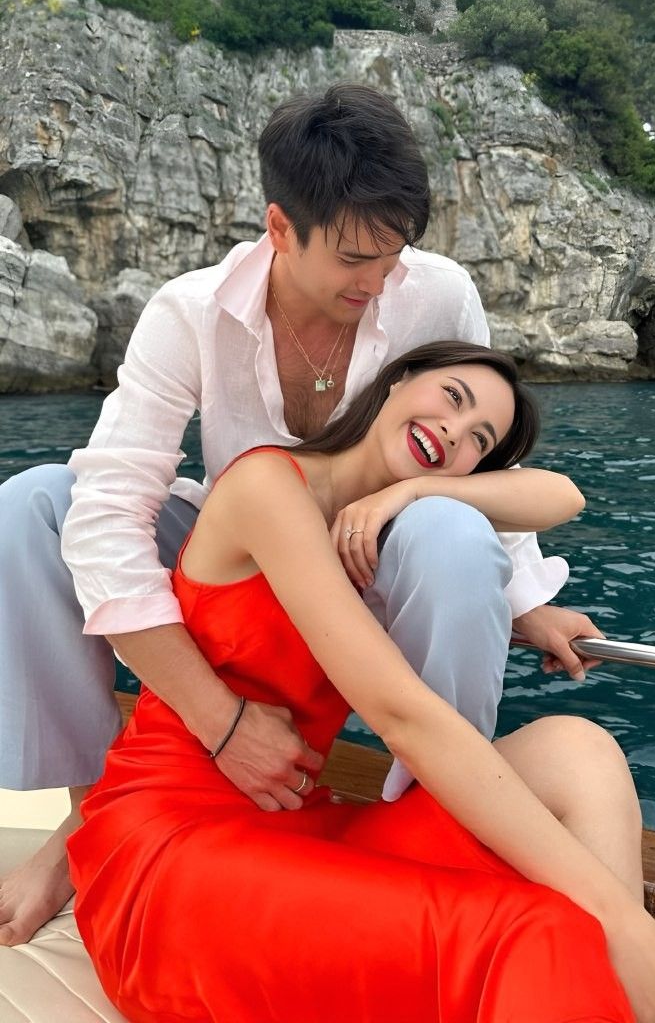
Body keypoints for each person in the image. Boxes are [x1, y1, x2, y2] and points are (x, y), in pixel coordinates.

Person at [0, 84, 601, 947]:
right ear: (280, 228)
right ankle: (89, 818)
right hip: (246, 556)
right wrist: (222, 721)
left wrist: (523, 592)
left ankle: (435, 817)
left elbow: (486, 451)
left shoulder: (439, 296)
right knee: (34, 508)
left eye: (394, 255)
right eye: (356, 258)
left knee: (450, 529)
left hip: (378, 563)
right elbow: (108, 512)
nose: (381, 280)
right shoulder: (188, 313)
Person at [66, 341, 655, 1023]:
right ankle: (625, 967)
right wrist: (625, 922)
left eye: (478, 440)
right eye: (452, 399)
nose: (453, 432)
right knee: (538, 930)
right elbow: (402, 717)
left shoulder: (379, 530)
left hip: (293, 824)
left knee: (580, 752)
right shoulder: (269, 486)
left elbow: (560, 496)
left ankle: (624, 988)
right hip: (169, 857)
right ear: (398, 381)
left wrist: (415, 489)